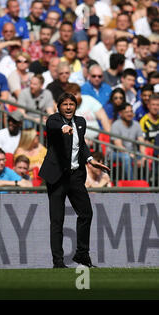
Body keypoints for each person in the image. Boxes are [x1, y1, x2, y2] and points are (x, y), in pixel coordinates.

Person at [39, 92, 110, 268]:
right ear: (59, 107)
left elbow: (82, 145)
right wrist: (63, 129)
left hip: (76, 176)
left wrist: (91, 160)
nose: (69, 107)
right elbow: (54, 127)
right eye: (65, 104)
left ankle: (82, 255)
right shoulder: (53, 120)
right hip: (57, 177)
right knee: (57, 220)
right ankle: (58, 262)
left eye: (72, 104)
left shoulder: (80, 122)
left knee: (86, 213)